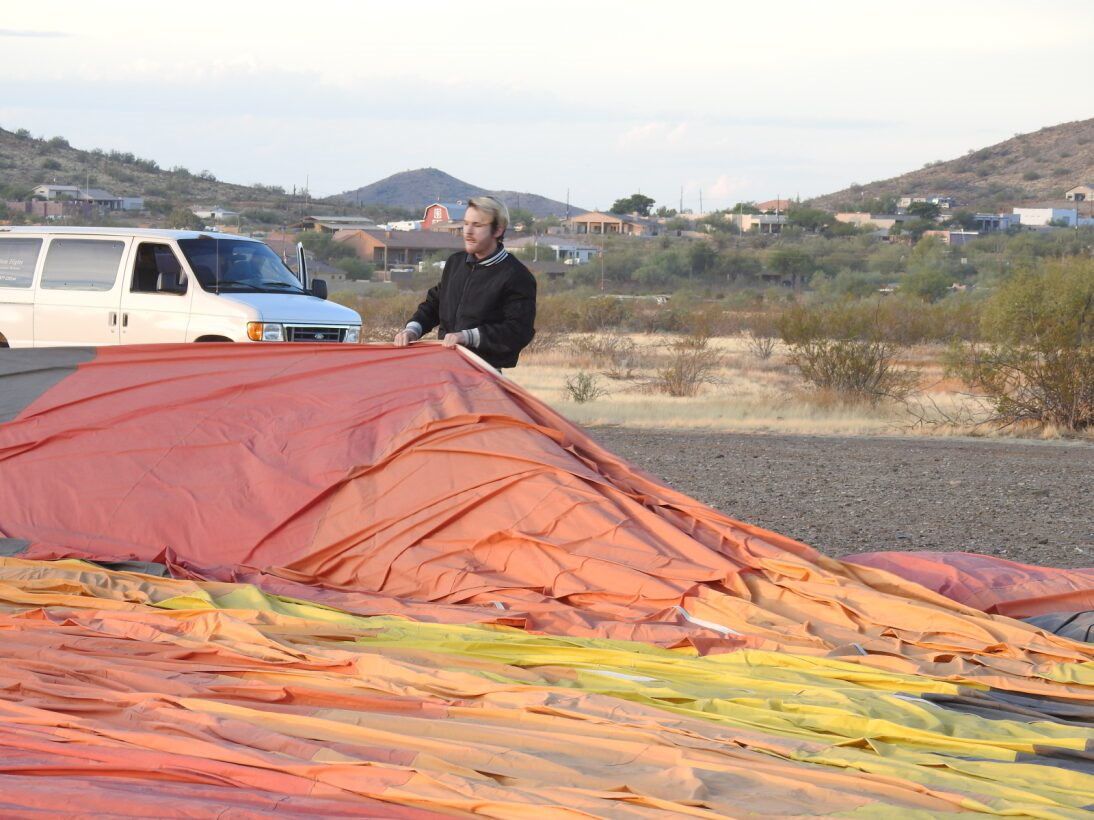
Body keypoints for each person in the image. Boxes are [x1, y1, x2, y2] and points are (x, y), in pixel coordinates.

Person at [393, 196, 536, 369]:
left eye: (477, 225)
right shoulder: (455, 263)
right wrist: (412, 329)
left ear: (498, 230)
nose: (467, 231)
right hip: (444, 369)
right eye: (466, 223)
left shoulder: (516, 275)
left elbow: (518, 331)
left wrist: (467, 337)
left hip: (484, 376)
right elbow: (434, 304)